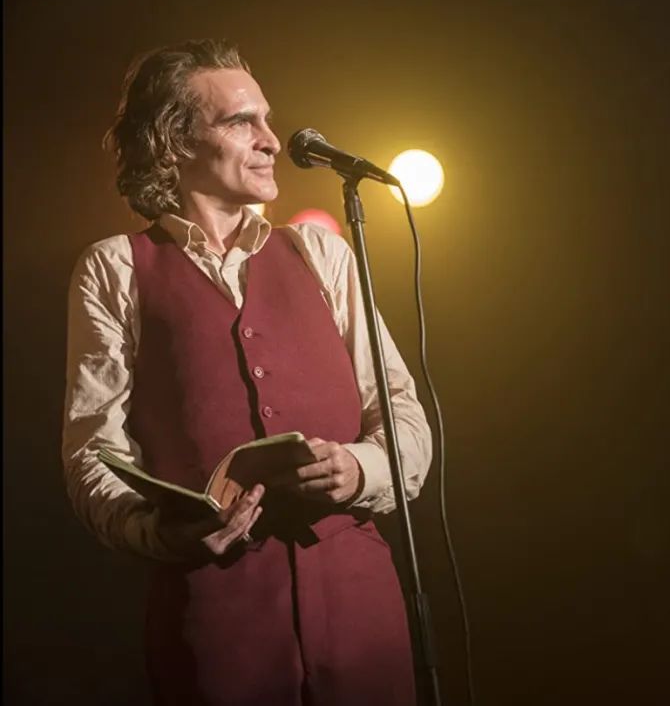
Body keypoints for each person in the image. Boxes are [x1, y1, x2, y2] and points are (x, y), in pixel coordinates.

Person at [61, 39, 432, 706]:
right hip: (217, 630)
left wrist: (359, 469)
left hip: (362, 616)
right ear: (174, 142)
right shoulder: (115, 268)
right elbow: (92, 452)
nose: (271, 140)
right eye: (241, 122)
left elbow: (403, 414)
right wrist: (158, 532)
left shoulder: (321, 253)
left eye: (267, 119)